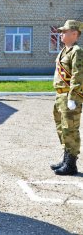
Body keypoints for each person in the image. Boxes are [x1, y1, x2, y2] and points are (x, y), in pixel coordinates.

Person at [51, 20, 83, 176]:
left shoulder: (77, 51)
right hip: (60, 96)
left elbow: (78, 76)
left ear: (74, 34)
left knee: (70, 129)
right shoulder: (64, 50)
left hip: (69, 97)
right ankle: (65, 159)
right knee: (62, 128)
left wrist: (73, 97)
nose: (61, 33)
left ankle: (71, 164)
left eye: (65, 31)